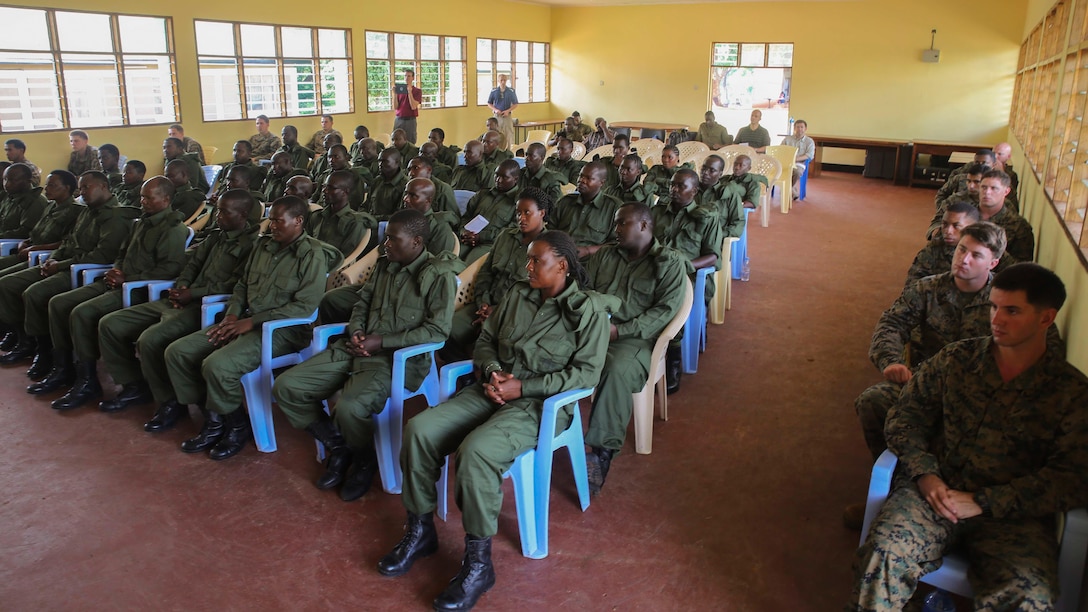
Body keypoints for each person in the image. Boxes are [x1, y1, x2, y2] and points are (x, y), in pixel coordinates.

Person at [376, 230, 611, 612]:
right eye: (528, 259)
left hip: (538, 406)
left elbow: (585, 376)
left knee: (478, 452)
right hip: (491, 389)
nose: (527, 266)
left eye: (537, 261)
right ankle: (420, 531)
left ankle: (479, 564)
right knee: (420, 430)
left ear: (563, 266)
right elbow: (486, 340)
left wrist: (524, 387)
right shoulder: (518, 293)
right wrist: (493, 370)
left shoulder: (587, 312)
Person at [848, 263, 1088, 611]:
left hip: (1011, 516)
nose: (997, 319)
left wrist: (984, 501)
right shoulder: (956, 359)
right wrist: (926, 474)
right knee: (882, 552)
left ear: (1045, 319)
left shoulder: (1070, 393)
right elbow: (906, 416)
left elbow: (1072, 477)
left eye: (1012, 311)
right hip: (933, 494)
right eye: (994, 306)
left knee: (1029, 596)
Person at [272, 208, 456, 498]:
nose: (386, 245)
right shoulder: (385, 265)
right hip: (357, 347)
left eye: (394, 240)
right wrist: (357, 331)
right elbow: (362, 303)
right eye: (386, 239)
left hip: (396, 361)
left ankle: (363, 458)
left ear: (417, 242)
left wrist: (380, 342)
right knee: (287, 387)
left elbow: (436, 332)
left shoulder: (437, 277)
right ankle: (340, 446)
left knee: (349, 407)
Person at [163, 196, 342, 461]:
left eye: (279, 221)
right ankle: (215, 421)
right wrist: (233, 314)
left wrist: (251, 322)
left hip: (284, 332)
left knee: (217, 366)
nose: (272, 226)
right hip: (245, 321)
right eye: (270, 220)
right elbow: (243, 286)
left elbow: (304, 307)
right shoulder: (263, 247)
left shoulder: (311, 254)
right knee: (179, 352)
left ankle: (237, 427)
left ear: (299, 221)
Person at [96, 190, 260, 425]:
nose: (217, 216)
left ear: (243, 214)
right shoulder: (215, 237)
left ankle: (171, 402)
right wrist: (181, 286)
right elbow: (191, 265)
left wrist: (192, 293)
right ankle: (135, 384)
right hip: (182, 299)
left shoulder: (251, 245)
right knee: (110, 323)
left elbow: (235, 285)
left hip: (207, 307)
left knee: (150, 340)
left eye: (224, 211)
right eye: (218, 209)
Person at [854, 222, 1006, 467]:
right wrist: (892, 360)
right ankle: (894, 475)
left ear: (993, 263)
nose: (963, 259)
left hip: (978, 395)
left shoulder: (1004, 300)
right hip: (924, 383)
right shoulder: (928, 288)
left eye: (976, 255)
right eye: (961, 249)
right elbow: (891, 324)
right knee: (871, 401)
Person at [46, 176, 188, 411]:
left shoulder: (172, 228)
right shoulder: (141, 222)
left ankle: (113, 382)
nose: (142, 201)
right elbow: (122, 252)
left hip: (141, 290)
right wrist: (117, 269)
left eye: (148, 197)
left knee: (83, 313)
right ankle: (70, 370)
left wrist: (128, 279)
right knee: (60, 303)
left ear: (166, 199)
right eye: (141, 196)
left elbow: (169, 269)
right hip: (120, 282)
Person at [583, 202, 688, 494]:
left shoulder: (669, 262)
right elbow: (584, 289)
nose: (615, 230)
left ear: (643, 226)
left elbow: (664, 312)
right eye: (616, 224)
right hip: (597, 330)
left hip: (636, 340)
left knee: (615, 371)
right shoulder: (606, 256)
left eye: (621, 224)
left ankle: (601, 453)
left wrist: (621, 331)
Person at [0, 172, 132, 380]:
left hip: (86, 271)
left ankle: (57, 362)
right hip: (66, 264)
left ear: (103, 186)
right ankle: (39, 349)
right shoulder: (88, 212)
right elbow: (68, 242)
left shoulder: (115, 216)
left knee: (37, 294)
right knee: (12, 285)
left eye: (87, 187)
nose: (82, 192)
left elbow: (102, 255)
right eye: (81, 187)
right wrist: (53, 259)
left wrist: (60, 264)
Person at [445, 187, 550, 360]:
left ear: (542, 213)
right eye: (517, 213)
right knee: (447, 329)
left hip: (514, 314)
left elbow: (534, 293)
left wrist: (498, 310)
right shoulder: (505, 236)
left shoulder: (547, 247)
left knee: (487, 345)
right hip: (484, 304)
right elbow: (485, 273)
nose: (520, 218)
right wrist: (483, 303)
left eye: (527, 213)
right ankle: (462, 373)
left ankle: (475, 371)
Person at [652, 169, 722, 393]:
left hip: (687, 275)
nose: (674, 190)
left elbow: (713, 256)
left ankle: (673, 359)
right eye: (672, 185)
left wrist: (687, 265)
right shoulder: (657, 211)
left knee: (672, 301)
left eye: (681, 186)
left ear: (695, 190)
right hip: (654, 270)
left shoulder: (706, 218)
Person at [0, 170, 80, 275]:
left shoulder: (75, 211)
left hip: (44, 257)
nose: (46, 188)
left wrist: (35, 248)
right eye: (46, 185)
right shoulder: (50, 205)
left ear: (67, 188)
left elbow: (65, 242)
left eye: (52, 185)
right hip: (28, 252)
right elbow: (37, 232)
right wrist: (24, 243)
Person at [550, 161, 623, 259]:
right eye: (581, 176)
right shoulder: (565, 202)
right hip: (559, 256)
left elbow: (616, 243)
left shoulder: (614, 208)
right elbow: (550, 229)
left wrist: (587, 250)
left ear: (601, 182)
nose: (582, 180)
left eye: (589, 178)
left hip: (592, 260)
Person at [459, 159, 521, 264]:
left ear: (515, 179)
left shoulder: (518, 202)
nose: (498, 180)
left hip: (492, 244)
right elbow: (466, 216)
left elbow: (511, 232)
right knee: (451, 257)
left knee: (468, 265)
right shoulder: (483, 194)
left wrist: (481, 237)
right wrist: (463, 231)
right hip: (469, 238)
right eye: (496, 175)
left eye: (504, 177)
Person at [904, 201, 980, 287]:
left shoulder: (983, 251)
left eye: (956, 226)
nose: (948, 231)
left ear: (973, 227)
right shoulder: (934, 248)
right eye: (945, 224)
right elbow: (913, 283)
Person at [307, 169, 376, 258]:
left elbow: (345, 256)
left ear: (346, 191)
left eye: (331, 188)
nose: (324, 191)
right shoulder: (317, 216)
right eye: (324, 186)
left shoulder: (354, 222)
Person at [977, 169, 1034, 264]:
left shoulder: (1018, 225)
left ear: (1006, 191)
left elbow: (1022, 268)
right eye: (984, 187)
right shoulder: (965, 216)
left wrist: (994, 249)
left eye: (994, 188)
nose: (987, 192)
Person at [401, 177, 460, 256]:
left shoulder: (439, 227)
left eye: (413, 196)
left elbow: (438, 264)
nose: (406, 199)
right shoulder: (402, 220)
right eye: (406, 194)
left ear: (428, 200)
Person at [695, 154, 746, 239]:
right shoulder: (691, 190)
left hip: (714, 243)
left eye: (712, 170)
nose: (705, 173)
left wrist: (718, 235)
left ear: (720, 174)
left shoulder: (730, 194)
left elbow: (738, 224)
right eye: (704, 168)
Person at [0, 163, 48, 239]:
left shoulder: (35, 201)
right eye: (5, 179)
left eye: (13, 180)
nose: (6, 184)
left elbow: (25, 232)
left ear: (28, 181)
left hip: (15, 245)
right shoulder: (7, 195)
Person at [367, 148, 408, 221]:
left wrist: (371, 219)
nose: (380, 164)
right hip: (370, 222)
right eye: (379, 161)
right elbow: (366, 204)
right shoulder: (377, 181)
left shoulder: (405, 185)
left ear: (397, 163)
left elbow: (398, 215)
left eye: (385, 161)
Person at [780, 119, 814, 197]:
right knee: (777, 169)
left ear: (805, 129)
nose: (799, 129)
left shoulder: (809, 141)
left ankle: (787, 189)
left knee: (796, 171)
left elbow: (809, 155)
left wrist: (795, 159)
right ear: (794, 128)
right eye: (797, 127)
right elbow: (780, 150)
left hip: (800, 163)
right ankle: (792, 190)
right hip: (786, 162)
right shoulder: (787, 139)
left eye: (802, 127)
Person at [486, 74, 518, 152]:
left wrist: (508, 111)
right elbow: (489, 103)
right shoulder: (494, 91)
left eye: (504, 80)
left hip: (507, 116)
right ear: (498, 81)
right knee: (496, 134)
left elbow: (515, 104)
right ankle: (497, 151)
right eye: (501, 80)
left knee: (509, 134)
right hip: (497, 116)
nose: (503, 82)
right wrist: (495, 109)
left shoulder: (511, 91)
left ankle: (510, 152)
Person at [394, 69, 422, 145]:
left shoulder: (417, 91)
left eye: (409, 76)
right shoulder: (401, 90)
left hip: (410, 120)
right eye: (405, 76)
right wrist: (395, 94)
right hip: (399, 119)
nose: (407, 78)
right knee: (397, 140)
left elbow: (413, 106)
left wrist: (409, 92)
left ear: (413, 78)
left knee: (410, 141)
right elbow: (395, 106)